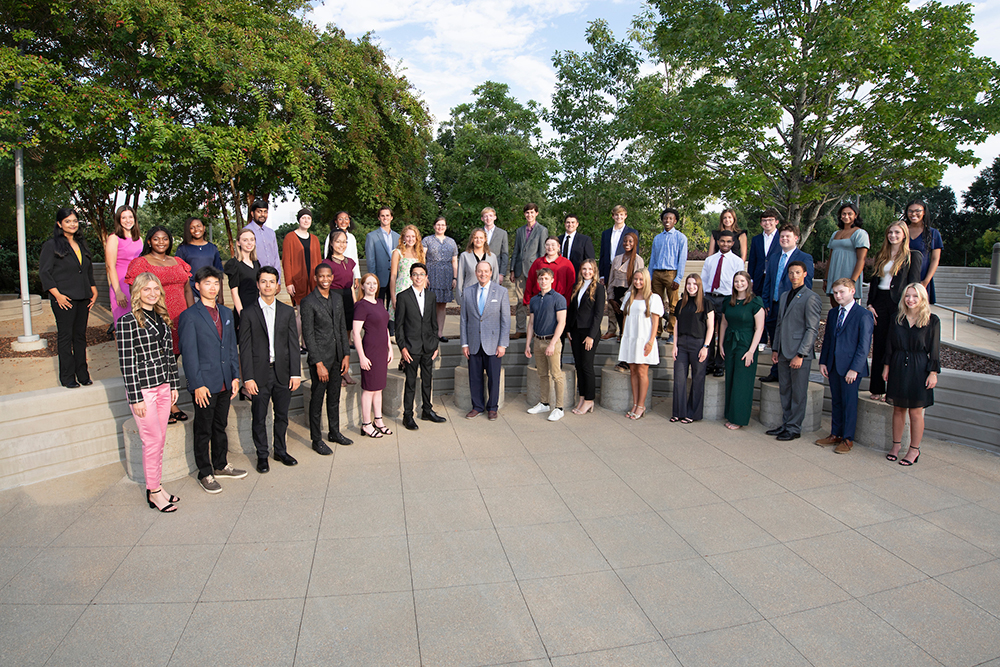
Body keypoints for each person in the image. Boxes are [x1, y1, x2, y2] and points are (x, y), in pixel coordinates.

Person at [116, 272, 181, 512]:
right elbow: (127, 362)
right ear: (137, 292)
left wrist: (174, 385)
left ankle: (157, 486)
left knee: (160, 439)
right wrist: (135, 398)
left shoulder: (163, 318)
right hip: (143, 391)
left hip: (164, 386)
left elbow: (169, 356)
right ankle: (153, 492)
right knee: (151, 441)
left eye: (156, 289)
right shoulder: (127, 322)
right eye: (146, 289)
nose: (152, 293)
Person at [178, 267, 246, 494]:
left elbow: (231, 348)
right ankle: (205, 472)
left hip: (226, 381)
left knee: (220, 425)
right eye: (207, 283)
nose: (213, 287)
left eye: (216, 283)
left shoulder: (226, 313)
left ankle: (220, 464)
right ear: (197, 286)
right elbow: (189, 354)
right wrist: (196, 384)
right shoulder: (189, 316)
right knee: (203, 429)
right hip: (204, 383)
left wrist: (236, 376)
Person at [125, 226, 194, 423]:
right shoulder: (140, 263)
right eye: (156, 239)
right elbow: (136, 292)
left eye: (165, 238)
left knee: (175, 358)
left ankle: (169, 399)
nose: (161, 242)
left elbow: (188, 289)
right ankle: (169, 406)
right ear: (149, 241)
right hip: (158, 318)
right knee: (163, 359)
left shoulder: (178, 261)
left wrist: (193, 313)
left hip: (182, 318)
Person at [238, 266, 301, 473]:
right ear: (258, 285)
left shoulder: (285, 311)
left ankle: (280, 451)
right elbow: (245, 349)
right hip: (259, 374)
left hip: (282, 372)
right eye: (263, 281)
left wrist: (295, 373)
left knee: (282, 415)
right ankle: (262, 455)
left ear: (277, 286)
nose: (267, 285)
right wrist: (247, 377)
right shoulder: (247, 313)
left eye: (271, 282)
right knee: (259, 416)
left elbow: (293, 344)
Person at [40, 208, 99, 388]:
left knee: (80, 336)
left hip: (83, 297)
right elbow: (45, 272)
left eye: (74, 221)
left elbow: (86, 270)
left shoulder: (81, 244)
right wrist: (57, 295)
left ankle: (82, 374)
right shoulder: (51, 245)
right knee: (66, 337)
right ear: (59, 224)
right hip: (63, 298)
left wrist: (94, 289)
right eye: (68, 221)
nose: (72, 224)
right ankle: (67, 378)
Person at [883, 283, 940, 466]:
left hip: (919, 367)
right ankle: (896, 446)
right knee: (898, 409)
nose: (911, 299)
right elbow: (889, 345)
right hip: (898, 364)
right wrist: (886, 367)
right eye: (907, 296)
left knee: (916, 412)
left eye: (915, 296)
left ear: (922, 298)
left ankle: (914, 449)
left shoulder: (932, 320)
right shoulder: (896, 318)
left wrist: (933, 372)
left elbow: (935, 349)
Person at [866, 221, 923, 401]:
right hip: (879, 303)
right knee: (880, 345)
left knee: (896, 347)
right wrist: (870, 304)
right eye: (890, 232)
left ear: (904, 234)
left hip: (899, 304)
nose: (893, 236)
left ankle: (892, 390)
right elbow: (874, 283)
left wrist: (910, 307)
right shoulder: (881, 255)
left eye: (897, 232)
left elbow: (914, 284)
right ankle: (876, 388)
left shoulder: (912, 256)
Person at [817, 278, 875, 454]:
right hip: (834, 365)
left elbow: (864, 345)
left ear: (852, 291)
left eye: (842, 292)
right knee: (837, 401)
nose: (838, 295)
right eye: (835, 292)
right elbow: (828, 339)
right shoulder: (834, 313)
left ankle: (848, 438)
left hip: (851, 368)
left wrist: (855, 369)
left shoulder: (863, 315)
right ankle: (836, 434)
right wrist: (823, 361)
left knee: (849, 403)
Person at [300, 264, 354, 453]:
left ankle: (334, 432)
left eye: (328, 276)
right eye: (321, 276)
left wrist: (346, 355)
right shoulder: (308, 302)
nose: (325, 279)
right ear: (316, 278)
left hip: (338, 357)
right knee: (317, 399)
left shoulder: (337, 299)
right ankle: (316, 440)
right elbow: (309, 335)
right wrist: (318, 363)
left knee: (334, 397)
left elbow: (341, 328)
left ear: (332, 278)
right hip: (320, 360)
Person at [767, 261, 822, 441]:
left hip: (799, 354)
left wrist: (801, 354)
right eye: (791, 273)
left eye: (798, 272)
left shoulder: (811, 297)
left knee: (798, 393)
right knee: (785, 390)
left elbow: (812, 329)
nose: (794, 276)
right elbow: (780, 324)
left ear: (805, 274)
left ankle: (794, 428)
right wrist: (775, 348)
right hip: (783, 351)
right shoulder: (784, 296)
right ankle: (786, 424)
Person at [395, 263, 447, 430]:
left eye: (421, 274)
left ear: (426, 277)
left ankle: (427, 410)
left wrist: (435, 345)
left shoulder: (431, 297)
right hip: (411, 348)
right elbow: (399, 326)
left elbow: (433, 323)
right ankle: (408, 415)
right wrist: (402, 348)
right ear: (411, 277)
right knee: (410, 382)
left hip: (428, 347)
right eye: (415, 274)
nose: (418, 277)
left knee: (427, 381)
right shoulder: (403, 297)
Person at [760, 224, 814, 382]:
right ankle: (776, 371)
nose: (784, 239)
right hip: (774, 304)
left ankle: (788, 371)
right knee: (775, 338)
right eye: (782, 236)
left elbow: (807, 284)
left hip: (792, 306)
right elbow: (768, 282)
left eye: (787, 236)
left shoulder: (804, 258)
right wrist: (765, 302)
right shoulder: (774, 257)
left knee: (788, 337)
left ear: (796, 238)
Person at [460, 261, 510, 420]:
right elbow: (463, 320)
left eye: (486, 271)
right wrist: (464, 343)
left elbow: (505, 320)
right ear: (476, 273)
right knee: (474, 377)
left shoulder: (501, 291)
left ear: (491, 272)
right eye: (480, 271)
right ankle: (477, 406)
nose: (483, 274)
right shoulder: (467, 292)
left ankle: (492, 408)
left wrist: (503, 344)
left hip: (494, 344)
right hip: (473, 342)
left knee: (494, 378)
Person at [719, 271, 765, 429]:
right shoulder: (728, 301)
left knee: (742, 382)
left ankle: (739, 419)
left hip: (746, 344)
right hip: (730, 342)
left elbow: (759, 329)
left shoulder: (755, 302)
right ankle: (731, 414)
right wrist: (720, 344)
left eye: (742, 281)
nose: (739, 284)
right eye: (736, 281)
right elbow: (724, 324)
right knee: (731, 379)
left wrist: (751, 351)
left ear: (748, 283)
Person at [618, 268, 663, 420]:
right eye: (635, 279)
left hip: (644, 339)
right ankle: (635, 403)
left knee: (642, 372)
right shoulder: (629, 296)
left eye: (641, 279)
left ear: (646, 280)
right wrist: (624, 336)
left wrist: (651, 341)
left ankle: (641, 405)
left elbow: (656, 321)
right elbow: (625, 317)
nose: (638, 282)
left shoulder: (653, 298)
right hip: (630, 338)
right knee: (633, 371)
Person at [353, 273, 394, 438]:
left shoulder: (379, 302)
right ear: (362, 286)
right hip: (369, 350)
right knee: (369, 389)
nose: (371, 286)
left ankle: (378, 421)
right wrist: (362, 356)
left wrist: (390, 348)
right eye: (368, 283)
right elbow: (356, 333)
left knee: (379, 388)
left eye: (374, 283)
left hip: (382, 350)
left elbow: (385, 327)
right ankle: (366, 424)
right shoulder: (361, 306)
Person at [700, 229, 745, 377]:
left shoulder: (737, 261)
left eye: (728, 242)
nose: (725, 244)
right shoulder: (710, 260)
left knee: (723, 333)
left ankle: (720, 364)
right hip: (710, 298)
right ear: (718, 242)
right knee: (709, 332)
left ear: (733, 243)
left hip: (726, 298)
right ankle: (709, 363)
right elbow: (704, 280)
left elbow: (739, 282)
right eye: (722, 241)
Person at [525, 268, 568, 421]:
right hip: (537, 341)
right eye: (541, 279)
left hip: (552, 342)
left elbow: (561, 323)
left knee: (556, 375)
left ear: (552, 280)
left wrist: (553, 344)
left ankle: (559, 407)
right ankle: (544, 403)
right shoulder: (534, 299)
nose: (543, 281)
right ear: (538, 281)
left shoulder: (559, 299)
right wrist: (528, 344)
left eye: (546, 278)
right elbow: (531, 323)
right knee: (542, 374)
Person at [671, 274, 714, 424]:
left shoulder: (707, 304)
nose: (691, 287)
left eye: (694, 284)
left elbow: (711, 328)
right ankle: (678, 412)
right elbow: (676, 325)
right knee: (679, 379)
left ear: (699, 286)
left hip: (698, 344)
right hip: (682, 344)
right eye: (689, 284)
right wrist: (674, 345)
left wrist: (705, 347)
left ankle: (693, 413)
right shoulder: (681, 303)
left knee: (698, 379)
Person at [567, 259, 605, 415]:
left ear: (594, 270)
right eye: (584, 269)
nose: (587, 271)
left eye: (590, 269)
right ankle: (582, 396)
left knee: (587, 366)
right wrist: (569, 329)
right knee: (578, 366)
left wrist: (591, 335)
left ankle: (589, 400)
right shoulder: (578, 286)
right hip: (576, 331)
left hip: (589, 333)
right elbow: (572, 310)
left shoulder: (599, 289)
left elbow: (598, 314)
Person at [321, 230, 358, 386]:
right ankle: (336, 374)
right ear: (331, 243)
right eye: (338, 241)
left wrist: (355, 303)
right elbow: (322, 287)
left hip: (348, 299)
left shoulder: (350, 262)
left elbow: (350, 287)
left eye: (344, 242)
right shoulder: (326, 264)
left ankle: (346, 372)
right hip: (333, 299)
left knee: (346, 340)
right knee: (335, 338)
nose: (342, 245)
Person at [282, 208, 322, 350]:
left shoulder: (315, 239)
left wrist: (320, 281)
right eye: (303, 218)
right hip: (298, 281)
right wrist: (288, 282)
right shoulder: (290, 237)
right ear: (299, 219)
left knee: (310, 314)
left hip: (312, 281)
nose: (306, 220)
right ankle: (293, 343)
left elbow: (318, 261)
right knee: (301, 312)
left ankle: (305, 343)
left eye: (309, 218)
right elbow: (286, 261)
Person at [599, 205, 639, 339]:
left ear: (625, 216)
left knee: (624, 300)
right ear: (613, 216)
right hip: (610, 268)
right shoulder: (606, 233)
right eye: (616, 215)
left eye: (621, 215)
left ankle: (624, 330)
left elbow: (634, 252)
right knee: (611, 300)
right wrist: (602, 274)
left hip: (625, 269)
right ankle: (611, 329)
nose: (619, 217)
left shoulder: (632, 232)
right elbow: (603, 254)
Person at [649, 207, 688, 342]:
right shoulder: (657, 238)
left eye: (670, 218)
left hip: (671, 274)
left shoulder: (681, 238)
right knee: (655, 303)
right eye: (665, 218)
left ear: (675, 221)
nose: (667, 220)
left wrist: (678, 278)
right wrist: (650, 276)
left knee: (673, 304)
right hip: (657, 273)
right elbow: (653, 258)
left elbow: (682, 260)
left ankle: (671, 331)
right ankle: (657, 331)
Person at [510, 203, 549, 339]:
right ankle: (520, 329)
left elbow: (542, 252)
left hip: (535, 271)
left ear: (536, 213)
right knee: (520, 301)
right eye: (527, 213)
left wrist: (541, 272)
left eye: (532, 212)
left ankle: (537, 329)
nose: (529, 215)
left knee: (536, 301)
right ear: (524, 214)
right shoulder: (520, 231)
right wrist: (512, 269)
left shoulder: (542, 230)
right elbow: (516, 251)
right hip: (520, 270)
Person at [104, 205, 143, 330]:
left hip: (138, 285)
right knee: (123, 325)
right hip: (121, 285)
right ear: (118, 220)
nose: (128, 220)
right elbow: (110, 266)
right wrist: (118, 291)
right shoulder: (114, 238)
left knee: (139, 323)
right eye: (124, 217)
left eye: (130, 217)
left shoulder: (139, 239)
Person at [364, 206, 400, 334]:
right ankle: (379, 328)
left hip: (395, 277)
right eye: (382, 215)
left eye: (387, 215)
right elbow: (370, 259)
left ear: (391, 217)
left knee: (393, 304)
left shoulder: (398, 237)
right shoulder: (372, 236)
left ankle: (392, 329)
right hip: (379, 276)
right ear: (379, 218)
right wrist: (373, 278)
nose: (385, 218)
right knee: (378, 304)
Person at [825, 203, 869, 307]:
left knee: (847, 310)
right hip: (834, 275)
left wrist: (852, 281)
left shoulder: (860, 233)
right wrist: (826, 278)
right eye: (843, 214)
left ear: (856, 215)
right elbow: (830, 258)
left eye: (850, 214)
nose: (846, 216)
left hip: (848, 275)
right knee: (835, 308)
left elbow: (861, 259)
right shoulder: (835, 234)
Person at [422, 216, 459, 341]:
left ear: (446, 227)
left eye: (443, 225)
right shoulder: (427, 240)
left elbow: (454, 261)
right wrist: (424, 276)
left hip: (446, 275)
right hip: (431, 274)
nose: (440, 227)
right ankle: (428, 332)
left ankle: (439, 333)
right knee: (429, 304)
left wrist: (455, 277)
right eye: (438, 224)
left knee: (442, 305)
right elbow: (422, 258)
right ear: (434, 226)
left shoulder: (451, 242)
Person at [606, 232, 643, 343]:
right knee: (618, 318)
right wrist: (611, 298)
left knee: (627, 323)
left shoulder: (638, 260)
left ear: (635, 243)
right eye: (625, 241)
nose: (627, 243)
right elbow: (611, 279)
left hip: (629, 294)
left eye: (630, 241)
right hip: (616, 294)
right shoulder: (617, 259)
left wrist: (624, 301)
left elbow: (638, 281)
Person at [905, 199, 944, 304]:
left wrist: (925, 281)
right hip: (901, 277)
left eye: (917, 211)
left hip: (922, 278)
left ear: (924, 212)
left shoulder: (933, 233)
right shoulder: (901, 230)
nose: (913, 214)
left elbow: (935, 259)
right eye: (910, 211)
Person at [175, 216, 223, 300]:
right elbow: (179, 275)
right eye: (192, 228)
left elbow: (219, 273)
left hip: (211, 293)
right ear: (188, 230)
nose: (196, 229)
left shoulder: (212, 248)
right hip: (192, 294)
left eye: (198, 226)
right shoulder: (182, 249)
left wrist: (220, 296)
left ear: (204, 228)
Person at [223, 227, 261, 332]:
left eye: (252, 239)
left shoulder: (256, 263)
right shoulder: (234, 264)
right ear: (238, 243)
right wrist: (242, 315)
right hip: (244, 309)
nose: (249, 243)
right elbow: (234, 293)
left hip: (257, 308)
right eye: (245, 240)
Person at [388, 224, 425, 326]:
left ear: (417, 238)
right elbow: (393, 276)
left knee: (414, 321)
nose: (410, 239)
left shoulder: (420, 254)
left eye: (413, 236)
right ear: (403, 237)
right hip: (402, 289)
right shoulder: (397, 253)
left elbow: (424, 276)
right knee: (402, 321)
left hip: (417, 290)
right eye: (408, 236)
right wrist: (393, 297)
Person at [523, 236, 576, 304]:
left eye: (553, 245)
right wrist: (527, 301)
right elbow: (530, 282)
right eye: (547, 245)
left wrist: (566, 303)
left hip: (558, 302)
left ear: (558, 247)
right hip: (539, 300)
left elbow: (570, 285)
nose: (550, 247)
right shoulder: (538, 262)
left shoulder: (566, 264)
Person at [747, 208, 781, 305]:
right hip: (759, 278)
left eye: (770, 220)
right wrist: (751, 279)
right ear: (761, 223)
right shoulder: (756, 239)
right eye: (764, 220)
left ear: (776, 222)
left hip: (775, 277)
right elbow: (752, 260)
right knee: (758, 304)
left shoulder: (782, 238)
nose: (767, 223)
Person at [242, 200, 280, 282]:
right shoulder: (246, 231)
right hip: (252, 279)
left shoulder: (271, 233)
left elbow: (276, 258)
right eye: (259, 211)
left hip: (271, 279)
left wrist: (278, 281)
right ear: (252, 213)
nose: (262, 215)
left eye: (265, 212)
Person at [322, 211, 362, 289]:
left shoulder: (351, 237)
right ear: (336, 221)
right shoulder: (331, 236)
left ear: (349, 221)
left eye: (346, 219)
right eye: (340, 219)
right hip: (336, 274)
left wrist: (356, 276)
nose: (343, 221)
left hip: (349, 273)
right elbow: (327, 254)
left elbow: (354, 257)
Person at [457, 228, 500, 297]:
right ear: (472, 240)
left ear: (485, 239)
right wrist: (460, 298)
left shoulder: (492, 257)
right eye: (476, 238)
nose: (478, 240)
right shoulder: (464, 256)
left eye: (481, 238)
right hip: (469, 295)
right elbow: (460, 279)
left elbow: (495, 278)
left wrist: (495, 296)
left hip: (487, 295)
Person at [481, 207, 509, 282]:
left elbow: (504, 254)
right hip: (480, 271)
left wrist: (501, 273)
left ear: (495, 217)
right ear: (482, 219)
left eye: (490, 216)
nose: (488, 218)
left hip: (495, 271)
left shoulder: (502, 233)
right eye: (485, 216)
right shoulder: (478, 232)